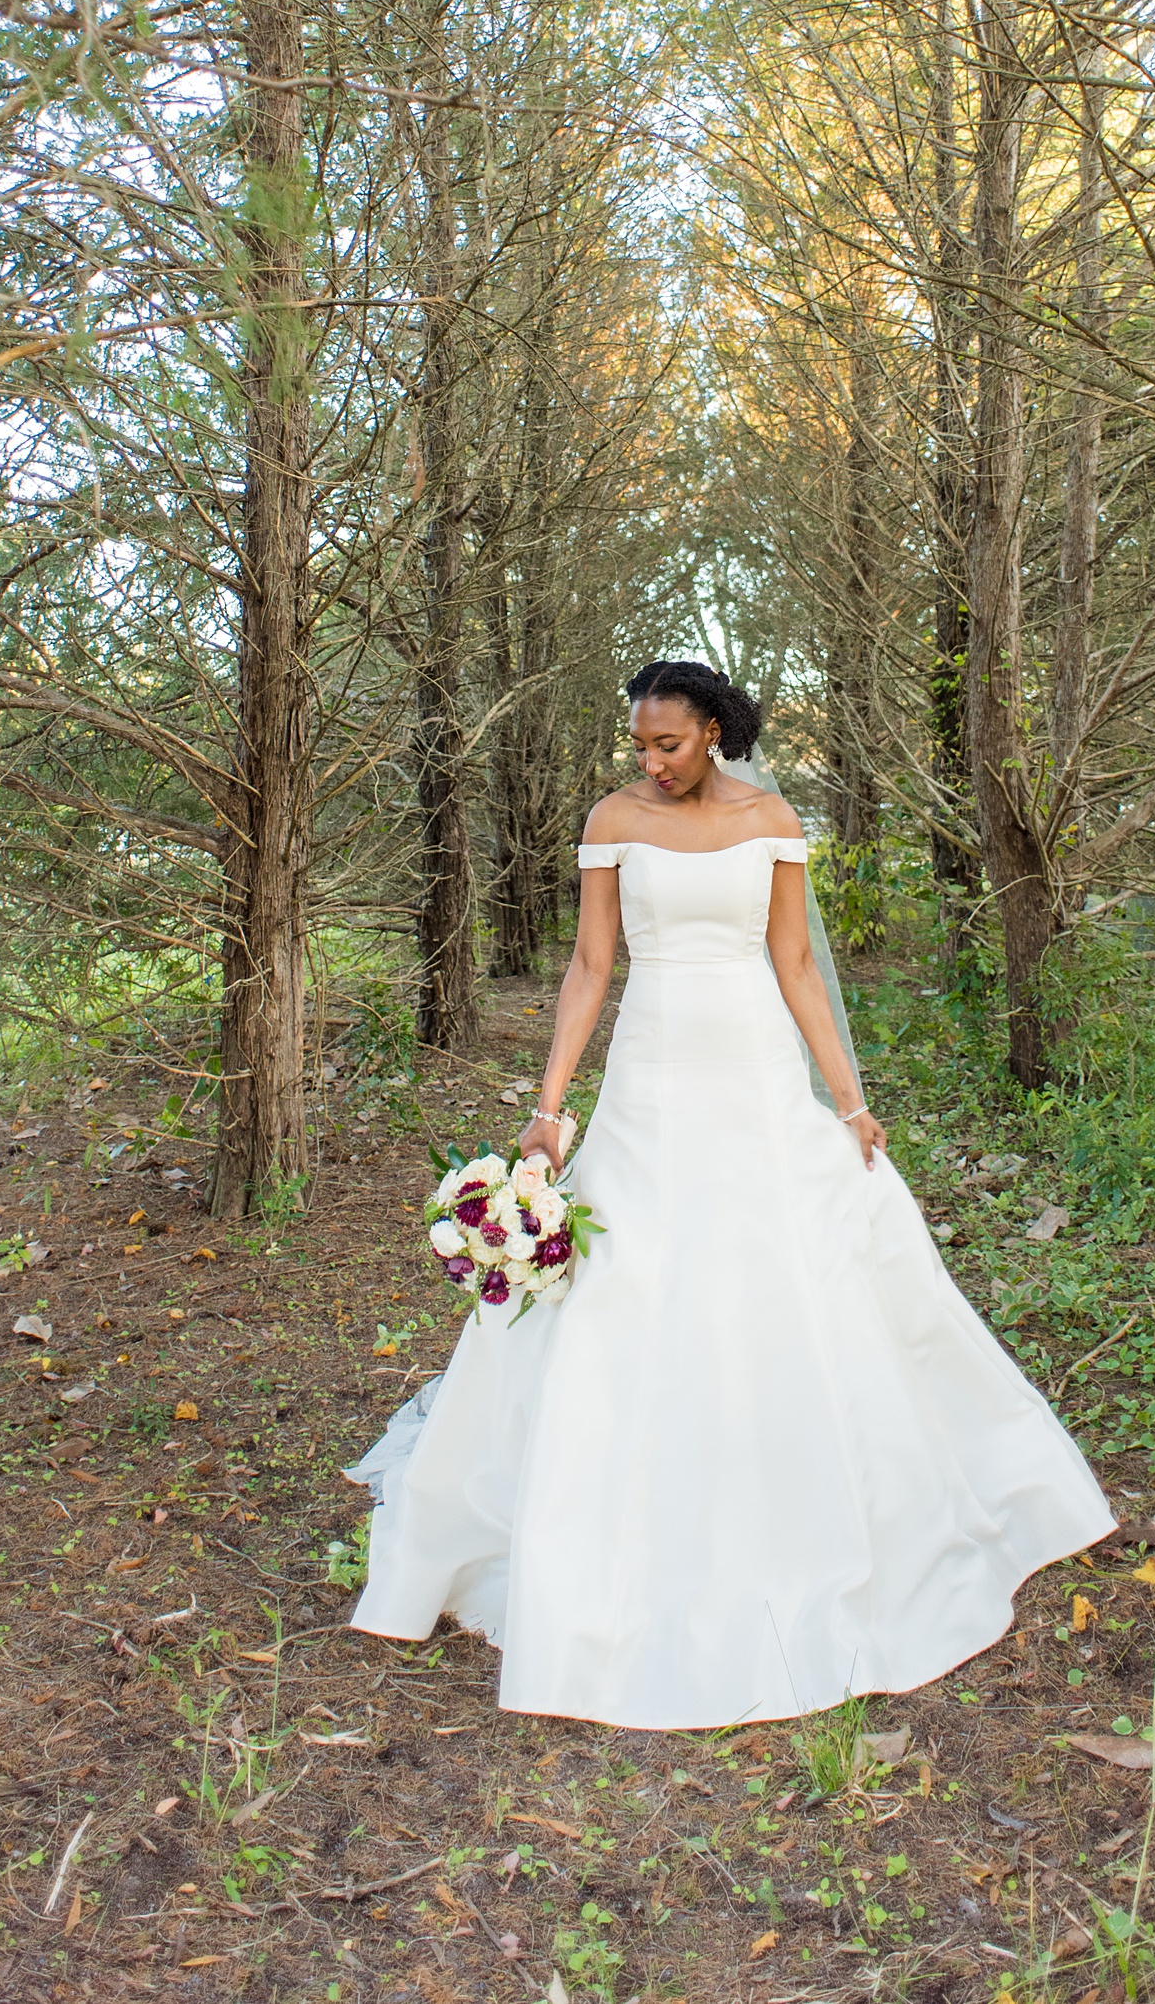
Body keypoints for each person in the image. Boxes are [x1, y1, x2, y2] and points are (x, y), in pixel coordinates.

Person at [344, 660, 1114, 1728]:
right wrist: (549, 1108)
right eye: (640, 745)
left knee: (790, 1263)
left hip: (754, 1067)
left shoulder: (772, 816)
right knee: (634, 1277)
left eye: (667, 742)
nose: (649, 762)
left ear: (713, 729)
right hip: (653, 1074)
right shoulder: (613, 816)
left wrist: (847, 1102)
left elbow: (794, 962)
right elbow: (586, 963)